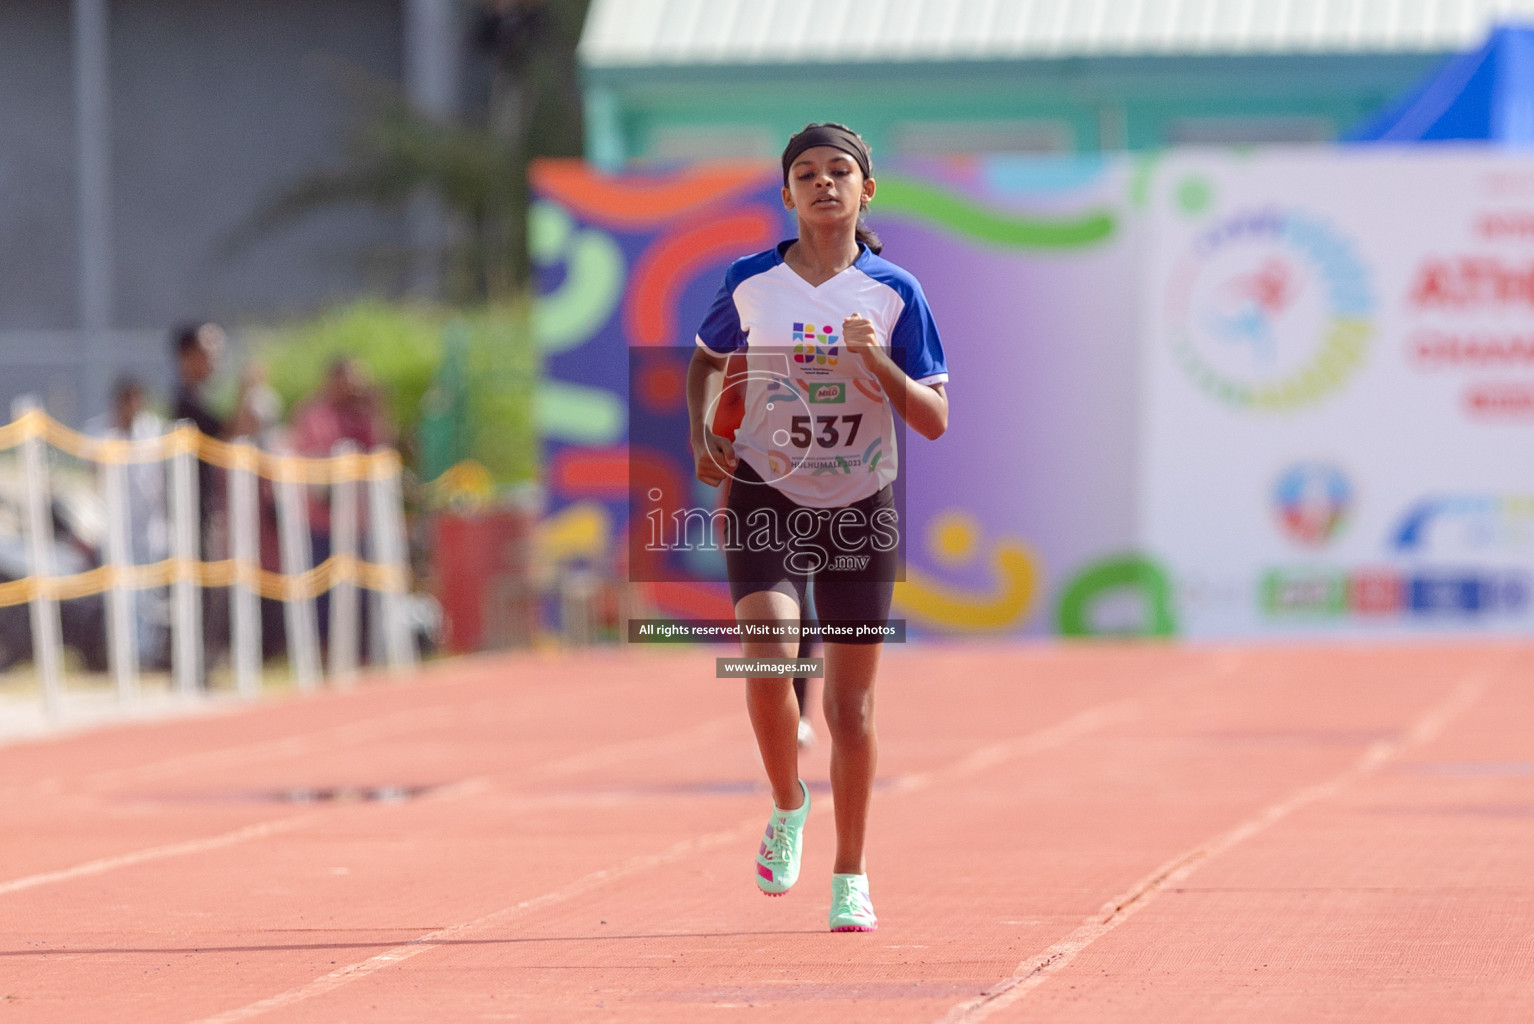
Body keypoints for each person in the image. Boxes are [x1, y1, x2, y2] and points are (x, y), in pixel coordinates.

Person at [687, 123, 949, 932]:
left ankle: (851, 874)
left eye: (841, 171)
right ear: (787, 192)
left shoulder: (896, 292)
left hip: (860, 503)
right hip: (765, 490)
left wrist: (880, 368)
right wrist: (704, 428)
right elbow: (704, 360)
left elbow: (935, 417)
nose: (824, 182)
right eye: (807, 172)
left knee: (851, 712)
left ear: (868, 190)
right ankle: (787, 802)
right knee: (765, 655)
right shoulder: (750, 282)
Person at [289, 356, 393, 658]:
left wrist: (377, 410)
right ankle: (322, 656)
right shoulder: (314, 414)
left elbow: (381, 450)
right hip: (321, 523)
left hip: (359, 523)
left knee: (362, 595)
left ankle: (364, 655)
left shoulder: (361, 416)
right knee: (324, 597)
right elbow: (316, 463)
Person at [85, 377, 171, 668]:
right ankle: (121, 653)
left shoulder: (154, 430)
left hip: (150, 525)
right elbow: (92, 475)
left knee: (148, 592)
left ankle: (146, 653)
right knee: (118, 592)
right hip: (114, 526)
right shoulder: (100, 432)